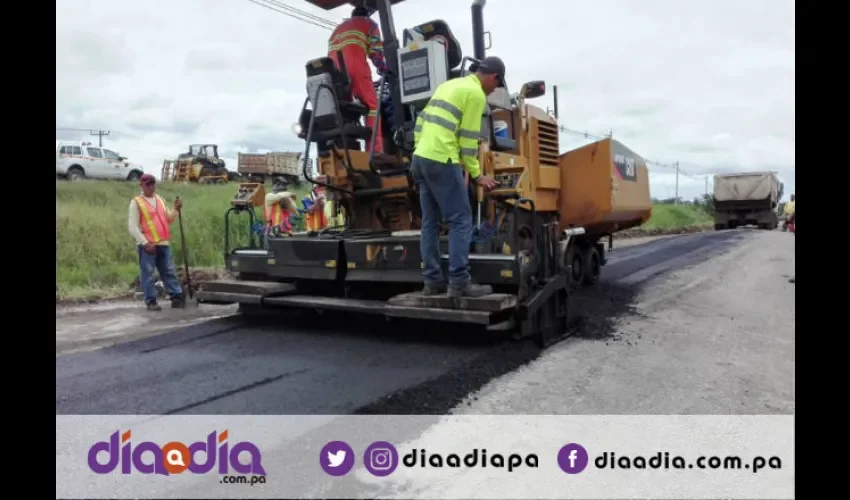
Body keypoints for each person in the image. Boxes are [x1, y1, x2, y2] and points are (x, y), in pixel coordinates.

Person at [411, 56, 503, 298]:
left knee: (429, 223)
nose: (494, 90)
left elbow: (420, 122)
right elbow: (468, 139)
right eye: (496, 85)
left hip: (420, 158)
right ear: (493, 77)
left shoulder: (448, 85)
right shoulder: (475, 94)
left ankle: (432, 282)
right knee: (461, 219)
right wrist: (477, 175)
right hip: (443, 158)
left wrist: (420, 151)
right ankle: (459, 282)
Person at [327, 4, 387, 153]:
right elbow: (376, 53)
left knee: (345, 110)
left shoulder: (337, 30)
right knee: (373, 107)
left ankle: (347, 149)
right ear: (367, 15)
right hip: (356, 69)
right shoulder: (369, 24)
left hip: (335, 75)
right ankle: (375, 151)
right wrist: (384, 68)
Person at [127, 174, 184, 311]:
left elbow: (168, 219)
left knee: (168, 271)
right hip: (148, 245)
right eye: (148, 184)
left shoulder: (160, 199)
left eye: (152, 183)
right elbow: (132, 227)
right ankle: (151, 301)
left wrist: (175, 209)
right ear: (141, 185)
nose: (151, 187)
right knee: (148, 273)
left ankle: (176, 297)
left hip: (163, 243)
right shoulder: (137, 202)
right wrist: (145, 243)